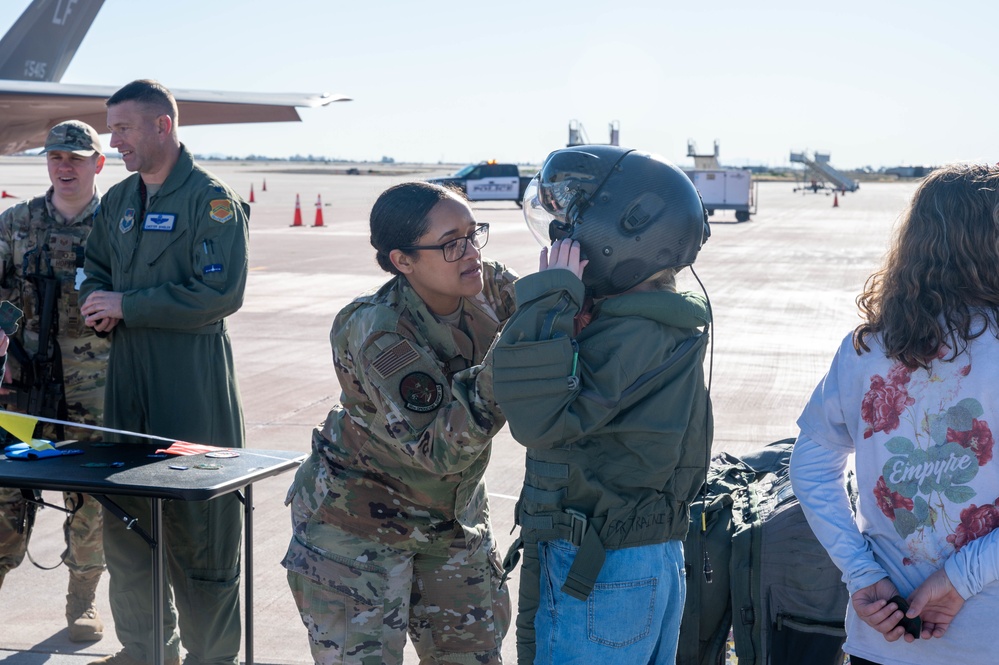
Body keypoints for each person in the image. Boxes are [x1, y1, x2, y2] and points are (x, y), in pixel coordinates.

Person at [489, 145, 713, 664]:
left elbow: (537, 416)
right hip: (648, 559)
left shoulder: (626, 334)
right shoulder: (660, 320)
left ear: (621, 233)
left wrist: (551, 299)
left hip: (601, 571)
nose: (561, 236)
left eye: (572, 225)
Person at [281, 181, 515, 664]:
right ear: (402, 260)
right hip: (358, 532)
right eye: (451, 243)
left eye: (474, 234)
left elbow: (554, 315)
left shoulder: (487, 286)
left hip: (450, 523)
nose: (470, 252)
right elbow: (440, 449)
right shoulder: (377, 329)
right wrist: (516, 359)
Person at [790, 163, 999, 665]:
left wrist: (862, 575)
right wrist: (959, 578)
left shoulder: (866, 350)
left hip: (885, 634)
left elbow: (810, 468)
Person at [78, 80, 249, 665]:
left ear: (162, 126)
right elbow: (93, 263)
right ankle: (146, 651)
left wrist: (128, 305)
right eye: (112, 128)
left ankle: (212, 658)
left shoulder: (212, 200)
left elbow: (220, 292)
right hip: (128, 376)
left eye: (123, 128)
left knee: (201, 531)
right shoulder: (121, 200)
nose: (114, 140)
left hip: (191, 378)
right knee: (126, 524)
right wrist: (92, 299)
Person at [0, 120, 109, 643]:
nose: (65, 167)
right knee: (5, 495)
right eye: (56, 158)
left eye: (76, 158)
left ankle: (82, 601)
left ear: (97, 164)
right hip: (22, 384)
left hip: (94, 388)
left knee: (88, 503)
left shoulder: (115, 225)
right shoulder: (16, 223)